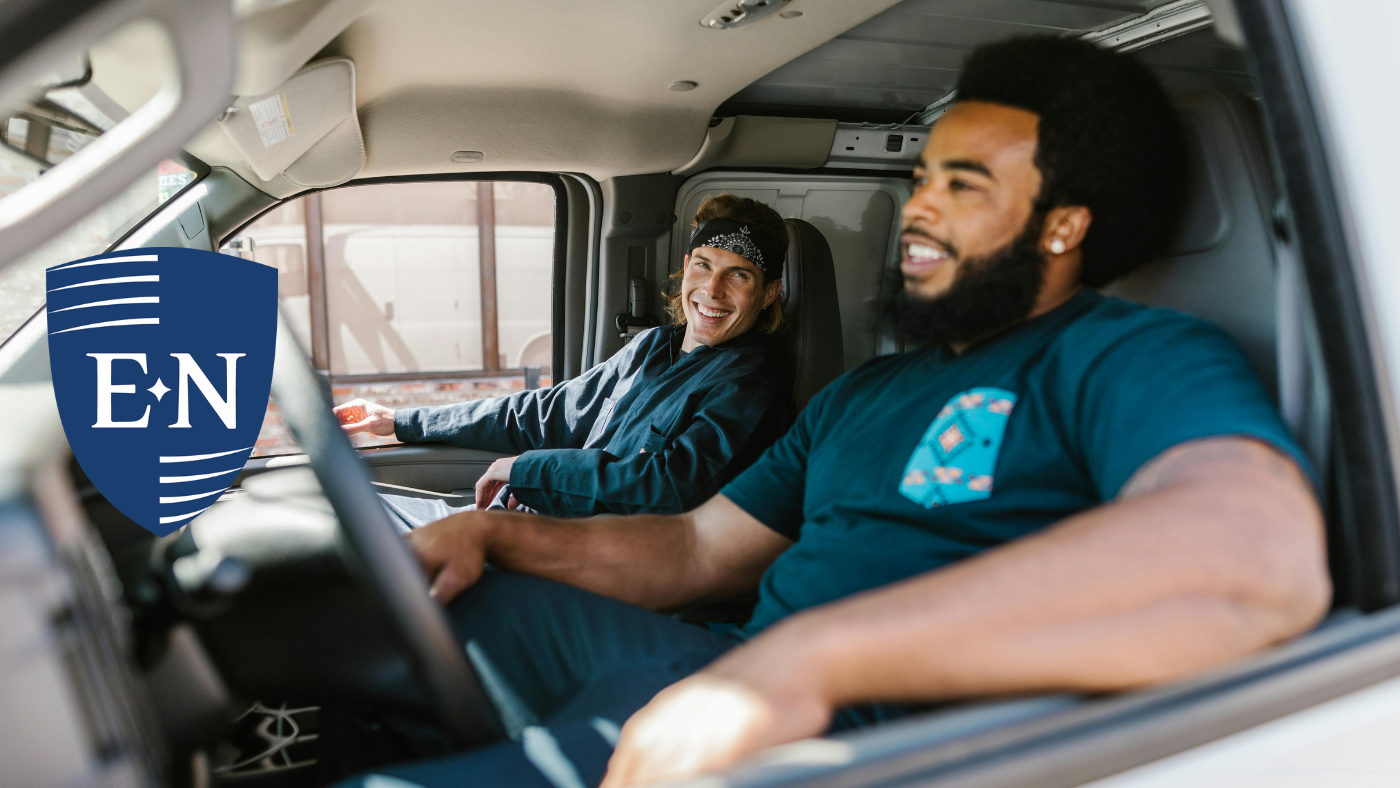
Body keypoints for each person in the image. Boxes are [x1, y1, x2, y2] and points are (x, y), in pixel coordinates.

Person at [336, 36, 1329, 788]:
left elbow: (1252, 558)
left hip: (868, 736)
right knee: (397, 597)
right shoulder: (862, 393)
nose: (917, 208)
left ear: (1062, 224)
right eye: (920, 177)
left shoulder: (1126, 356)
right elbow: (689, 548)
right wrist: (491, 536)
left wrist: (815, 655)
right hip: (728, 663)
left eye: (962, 184)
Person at [334, 195, 796, 527]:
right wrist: (399, 422)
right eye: (703, 265)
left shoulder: (750, 380)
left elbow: (672, 486)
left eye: (738, 275)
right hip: (523, 522)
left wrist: (528, 470)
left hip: (573, 553)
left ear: (770, 292)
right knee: (335, 509)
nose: (711, 291)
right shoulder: (656, 344)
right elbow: (547, 411)